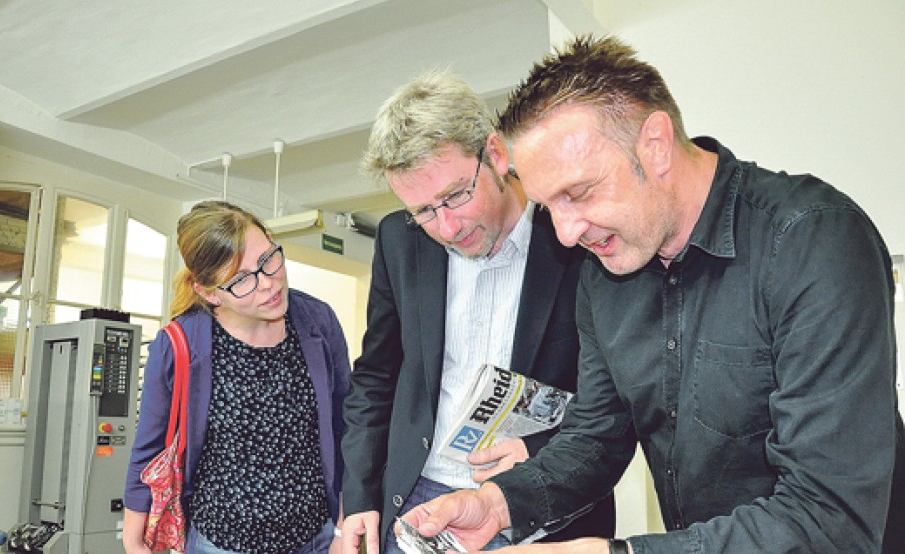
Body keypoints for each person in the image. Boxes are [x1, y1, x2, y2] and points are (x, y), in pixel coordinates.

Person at [401, 35, 905, 553]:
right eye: (550, 206)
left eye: (578, 193)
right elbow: (597, 436)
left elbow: (828, 515)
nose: (568, 233)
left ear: (655, 146)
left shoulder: (810, 240)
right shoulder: (603, 271)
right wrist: (500, 503)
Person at [338, 70, 615, 554]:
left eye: (455, 196)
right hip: (419, 498)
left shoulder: (576, 234)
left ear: (495, 154)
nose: (445, 226)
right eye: (423, 210)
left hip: (537, 504)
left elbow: (615, 395)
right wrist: (358, 495)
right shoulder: (400, 240)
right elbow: (377, 375)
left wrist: (538, 452)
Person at [123, 201, 351, 554]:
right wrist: (134, 540)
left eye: (268, 260)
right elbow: (150, 448)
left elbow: (346, 429)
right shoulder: (179, 344)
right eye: (242, 280)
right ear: (210, 293)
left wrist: (341, 529)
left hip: (316, 540)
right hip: (221, 543)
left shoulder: (318, 322)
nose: (268, 285)